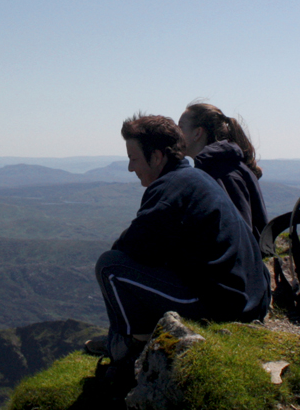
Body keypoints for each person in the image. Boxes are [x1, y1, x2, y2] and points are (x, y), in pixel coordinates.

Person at [89, 113, 271, 372]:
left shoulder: (169, 190)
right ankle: (130, 337)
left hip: (226, 307)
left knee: (110, 268)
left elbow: (127, 248)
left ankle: (125, 348)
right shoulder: (194, 179)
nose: (131, 168)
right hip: (249, 298)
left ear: (157, 157)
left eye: (133, 159)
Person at [178, 102, 268, 244]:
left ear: (197, 133)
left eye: (181, 127)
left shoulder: (222, 173)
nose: (176, 133)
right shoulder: (219, 166)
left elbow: (239, 235)